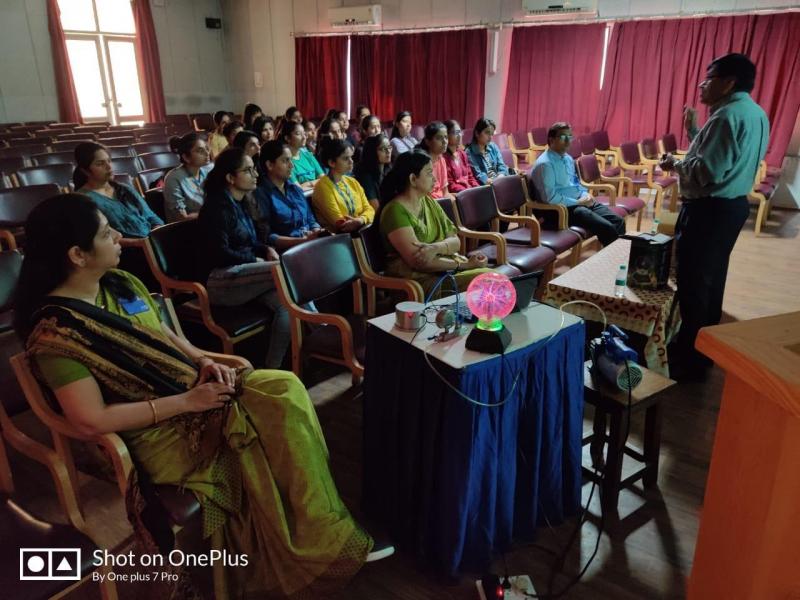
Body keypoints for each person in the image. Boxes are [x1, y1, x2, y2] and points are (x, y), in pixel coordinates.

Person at [14, 193, 392, 600]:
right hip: (151, 432)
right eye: (107, 234)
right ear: (77, 255)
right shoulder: (58, 338)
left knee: (284, 390)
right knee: (269, 421)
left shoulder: (120, 283)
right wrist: (187, 403)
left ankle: (315, 527)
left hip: (189, 389)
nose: (120, 237)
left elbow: (163, 334)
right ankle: (312, 544)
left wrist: (203, 360)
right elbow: (91, 419)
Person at [659, 53, 769, 380]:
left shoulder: (725, 117)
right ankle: (704, 348)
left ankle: (690, 357)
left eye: (709, 79)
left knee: (694, 281)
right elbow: (719, 153)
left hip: (708, 210)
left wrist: (673, 164)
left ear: (728, 82)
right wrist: (693, 130)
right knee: (712, 277)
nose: (701, 85)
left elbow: (707, 171)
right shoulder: (754, 113)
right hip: (730, 207)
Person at [195, 147, 293, 370]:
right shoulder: (216, 208)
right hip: (220, 281)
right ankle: (323, 331)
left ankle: (272, 370)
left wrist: (265, 249)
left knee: (287, 304)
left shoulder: (241, 202)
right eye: (248, 170)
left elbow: (249, 241)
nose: (256, 174)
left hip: (244, 277)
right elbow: (219, 253)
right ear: (230, 177)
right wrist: (254, 259)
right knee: (288, 270)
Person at [378, 151, 490, 297]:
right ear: (413, 179)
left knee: (493, 279)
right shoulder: (395, 211)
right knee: (488, 281)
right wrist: (465, 265)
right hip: (416, 283)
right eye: (429, 173)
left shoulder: (428, 201)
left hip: (443, 270)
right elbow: (419, 262)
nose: (435, 178)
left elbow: (456, 241)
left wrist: (436, 248)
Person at [531, 122, 625, 247]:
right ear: (551, 140)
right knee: (607, 228)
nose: (568, 141)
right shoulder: (545, 164)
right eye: (563, 137)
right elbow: (549, 198)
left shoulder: (568, 158)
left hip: (579, 203)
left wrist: (585, 194)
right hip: (558, 210)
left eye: (570, 137)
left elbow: (575, 183)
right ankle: (615, 256)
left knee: (618, 221)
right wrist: (578, 202)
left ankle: (619, 256)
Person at [73, 142, 163, 238]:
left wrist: (158, 232)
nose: (109, 167)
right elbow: (100, 238)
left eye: (109, 161)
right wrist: (141, 243)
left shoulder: (124, 189)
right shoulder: (82, 200)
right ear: (85, 171)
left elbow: (150, 216)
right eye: (100, 164)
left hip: (150, 239)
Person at [252, 140, 325, 250]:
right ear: (270, 165)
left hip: (310, 243)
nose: (291, 165)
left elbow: (310, 219)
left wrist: (317, 232)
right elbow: (267, 236)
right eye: (285, 161)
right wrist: (303, 241)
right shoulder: (260, 195)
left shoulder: (295, 189)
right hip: (288, 250)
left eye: (291, 160)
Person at [311, 138, 375, 233]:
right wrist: (362, 220)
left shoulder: (352, 182)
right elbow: (341, 224)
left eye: (351, 157)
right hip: (340, 238)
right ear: (331, 163)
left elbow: (370, 209)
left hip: (362, 231)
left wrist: (361, 220)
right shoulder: (322, 188)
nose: (351, 161)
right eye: (345, 158)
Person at [163, 133, 214, 222]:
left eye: (207, 149)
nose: (207, 153)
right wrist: (213, 212)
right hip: (189, 227)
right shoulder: (173, 178)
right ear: (186, 157)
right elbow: (181, 218)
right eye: (200, 151)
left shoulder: (207, 171)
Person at [465, 117, 510, 184]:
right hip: (486, 185)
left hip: (499, 180)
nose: (490, 137)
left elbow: (501, 165)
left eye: (491, 134)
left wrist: (501, 176)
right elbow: (479, 175)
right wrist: (493, 182)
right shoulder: (469, 152)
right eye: (487, 133)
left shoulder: (493, 146)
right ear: (477, 133)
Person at [280, 120, 323, 190]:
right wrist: (316, 183)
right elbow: (297, 189)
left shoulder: (308, 155)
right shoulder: (286, 162)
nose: (304, 137)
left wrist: (308, 184)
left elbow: (324, 179)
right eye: (298, 134)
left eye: (304, 134)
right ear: (287, 138)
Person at [353, 134, 392, 210]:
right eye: (383, 149)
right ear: (372, 152)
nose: (388, 151)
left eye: (389, 147)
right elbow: (376, 209)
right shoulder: (365, 176)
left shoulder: (388, 170)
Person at [443, 120, 480, 193]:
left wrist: (478, 188)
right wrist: (468, 191)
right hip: (460, 194)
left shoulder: (462, 154)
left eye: (460, 132)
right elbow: (451, 184)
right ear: (446, 135)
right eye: (455, 132)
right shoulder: (443, 158)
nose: (459, 135)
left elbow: (470, 177)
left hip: (469, 191)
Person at [416, 122, 451, 199]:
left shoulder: (441, 160)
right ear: (428, 142)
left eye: (446, 137)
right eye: (439, 138)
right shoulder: (422, 163)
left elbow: (445, 192)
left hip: (442, 201)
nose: (444, 142)